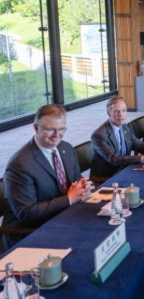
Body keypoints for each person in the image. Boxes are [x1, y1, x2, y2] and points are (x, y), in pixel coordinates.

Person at [2, 104, 93, 248]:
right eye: (51, 129)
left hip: (65, 217)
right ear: (36, 128)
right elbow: (26, 213)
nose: (57, 135)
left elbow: (76, 179)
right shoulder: (20, 165)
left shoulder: (66, 148)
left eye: (62, 128)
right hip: (32, 232)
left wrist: (83, 186)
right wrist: (69, 199)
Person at [90, 96, 144, 182]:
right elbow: (114, 159)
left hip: (125, 166)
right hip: (109, 174)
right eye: (116, 111)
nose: (121, 115)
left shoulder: (125, 126)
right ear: (109, 113)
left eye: (123, 111)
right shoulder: (98, 135)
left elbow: (137, 144)